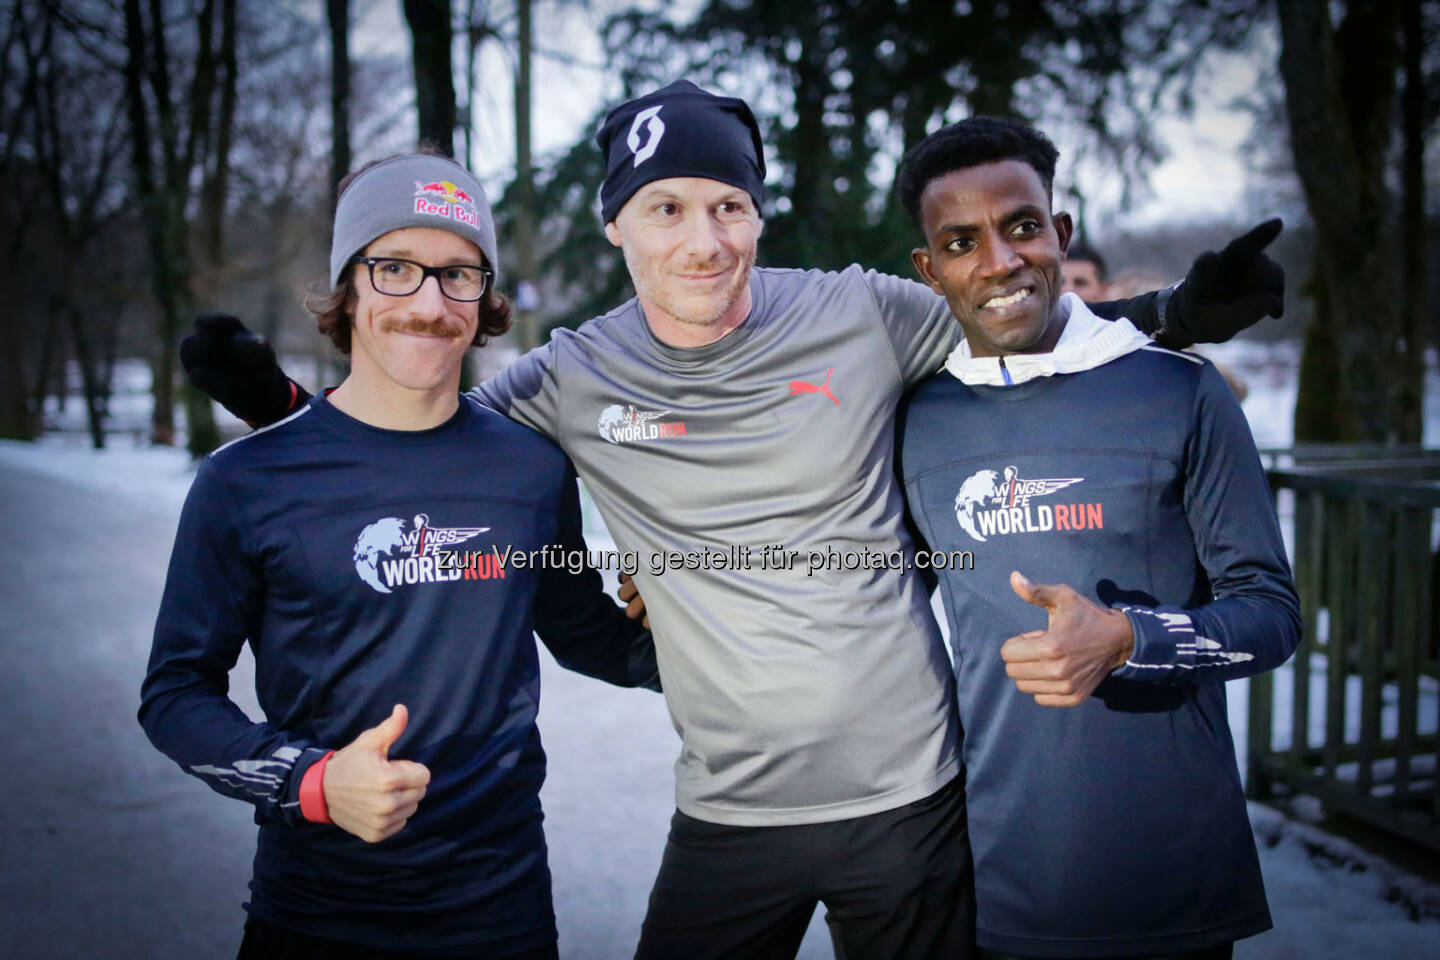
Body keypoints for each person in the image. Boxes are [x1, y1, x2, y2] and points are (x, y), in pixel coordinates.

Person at [182, 81, 1284, 959]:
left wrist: (1174, 317)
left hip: (911, 800)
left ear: (758, 213)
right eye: (666, 207)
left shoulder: (863, 311)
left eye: (728, 205)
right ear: (618, 225)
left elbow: (1008, 309)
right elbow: (422, 432)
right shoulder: (573, 376)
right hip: (728, 810)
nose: (703, 239)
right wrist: (286, 410)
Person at [140, 152, 658, 960]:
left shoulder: (529, 467)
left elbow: (584, 631)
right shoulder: (247, 479)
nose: (428, 302)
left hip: (503, 909)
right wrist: (309, 782)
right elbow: (175, 694)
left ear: (485, 299)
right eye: (395, 268)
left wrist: (696, 630)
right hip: (314, 913)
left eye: (458, 275)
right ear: (348, 287)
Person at [894, 116, 1300, 960]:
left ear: (1060, 231)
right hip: (997, 874)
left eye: (1022, 226)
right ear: (930, 271)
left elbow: (1272, 616)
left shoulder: (1180, 390)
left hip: (1170, 877)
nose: (1000, 262)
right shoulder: (915, 418)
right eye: (962, 242)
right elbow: (863, 591)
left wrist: (1129, 639)